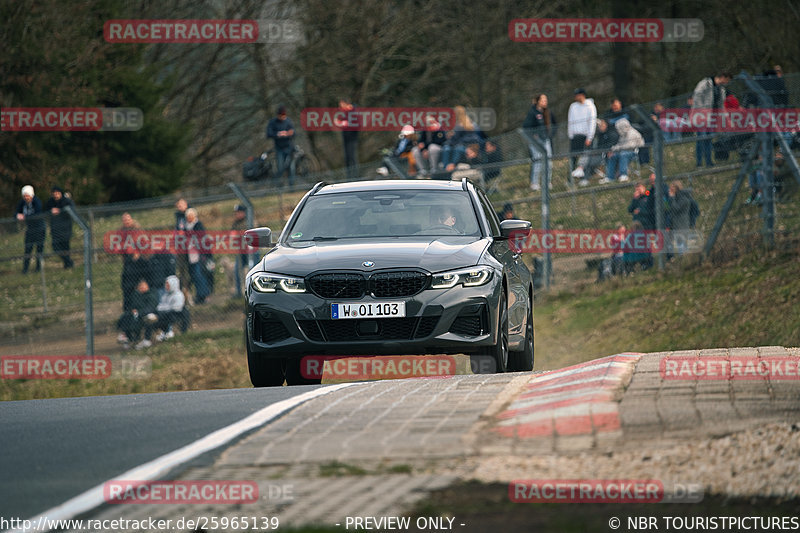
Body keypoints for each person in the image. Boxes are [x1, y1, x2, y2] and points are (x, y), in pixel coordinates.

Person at [692, 71, 732, 167]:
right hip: (701, 117)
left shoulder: (721, 89)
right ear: (722, 77)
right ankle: (699, 163)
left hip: (712, 118)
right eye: (726, 80)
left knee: (709, 139)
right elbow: (697, 95)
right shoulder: (706, 83)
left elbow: (721, 105)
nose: (726, 82)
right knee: (701, 139)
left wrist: (727, 118)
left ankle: (709, 162)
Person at [522, 93, 557, 191]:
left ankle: (547, 181)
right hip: (535, 143)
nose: (545, 102)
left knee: (548, 162)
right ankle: (534, 183)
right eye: (543, 100)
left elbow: (555, 124)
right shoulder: (532, 112)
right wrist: (534, 136)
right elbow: (526, 127)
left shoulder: (548, 112)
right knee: (537, 161)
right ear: (538, 101)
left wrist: (550, 135)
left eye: (546, 100)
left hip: (546, 140)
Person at [116, 279, 159, 349]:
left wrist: (139, 312)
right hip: (136, 314)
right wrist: (133, 311)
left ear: (147, 286)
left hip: (146, 314)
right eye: (140, 286)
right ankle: (127, 337)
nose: (141, 287)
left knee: (147, 319)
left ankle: (141, 339)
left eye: (143, 285)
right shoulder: (136, 295)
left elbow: (150, 307)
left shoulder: (151, 294)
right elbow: (132, 306)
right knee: (126, 317)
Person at [567, 88, 597, 184]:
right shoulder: (573, 106)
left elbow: (592, 122)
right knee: (573, 158)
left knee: (586, 157)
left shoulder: (590, 106)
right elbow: (570, 121)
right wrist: (570, 134)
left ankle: (584, 178)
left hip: (585, 136)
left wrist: (589, 137)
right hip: (575, 136)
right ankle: (570, 179)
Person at [441, 106, 483, 171]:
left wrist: (471, 148)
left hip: (467, 146)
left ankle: (452, 165)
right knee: (446, 148)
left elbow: (476, 138)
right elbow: (452, 140)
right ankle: (445, 168)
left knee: (459, 149)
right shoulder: (453, 125)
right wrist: (450, 137)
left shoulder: (470, 124)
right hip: (455, 145)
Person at [15, 185, 45, 273]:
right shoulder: (22, 203)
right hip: (30, 229)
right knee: (28, 249)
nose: (26, 197)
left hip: (39, 229)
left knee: (39, 249)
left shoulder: (37, 202)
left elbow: (37, 214)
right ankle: (25, 269)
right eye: (24, 196)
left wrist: (25, 217)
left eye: (27, 195)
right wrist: (17, 215)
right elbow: (17, 211)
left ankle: (38, 268)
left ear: (31, 195)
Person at [184, 208, 212, 304]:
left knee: (200, 274)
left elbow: (202, 239)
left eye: (190, 216)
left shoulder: (198, 225)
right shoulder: (186, 227)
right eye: (187, 217)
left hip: (199, 255)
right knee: (194, 276)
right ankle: (199, 296)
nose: (189, 218)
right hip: (190, 255)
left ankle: (205, 295)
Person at [605, 118, 644, 183]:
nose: (618, 130)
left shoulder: (632, 133)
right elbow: (619, 144)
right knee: (613, 156)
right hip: (623, 151)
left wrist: (618, 148)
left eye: (618, 128)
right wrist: (613, 149)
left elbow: (629, 146)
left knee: (623, 154)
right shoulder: (623, 134)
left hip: (633, 152)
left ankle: (624, 175)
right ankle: (610, 177)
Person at [44, 186, 74, 269]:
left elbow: (71, 209)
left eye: (57, 193)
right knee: (56, 247)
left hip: (65, 229)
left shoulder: (66, 201)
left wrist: (60, 211)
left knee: (66, 247)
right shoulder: (50, 202)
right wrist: (51, 211)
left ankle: (67, 264)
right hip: (55, 229)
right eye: (54, 193)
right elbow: (45, 210)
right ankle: (68, 261)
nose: (56, 195)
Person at [266, 105, 296, 186]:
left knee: (291, 167)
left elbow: (294, 132)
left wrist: (287, 133)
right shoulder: (273, 122)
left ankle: (292, 186)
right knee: (280, 167)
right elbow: (269, 134)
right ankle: (279, 186)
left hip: (289, 148)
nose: (283, 118)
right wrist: (278, 134)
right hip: (279, 148)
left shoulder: (288, 121)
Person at [154, 275, 187, 341]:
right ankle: (164, 332)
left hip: (176, 314)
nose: (166, 286)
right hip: (166, 313)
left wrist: (164, 309)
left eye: (168, 285)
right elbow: (161, 305)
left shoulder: (178, 295)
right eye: (166, 284)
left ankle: (169, 332)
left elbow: (176, 308)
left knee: (166, 316)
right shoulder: (166, 295)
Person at [335, 97, 359, 179]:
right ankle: (349, 177)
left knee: (352, 157)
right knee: (347, 158)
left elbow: (356, 124)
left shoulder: (353, 111)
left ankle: (355, 176)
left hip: (352, 137)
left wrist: (346, 124)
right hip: (346, 137)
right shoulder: (344, 112)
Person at [668, 180, 694, 255]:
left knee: (682, 244)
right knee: (679, 244)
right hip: (675, 224)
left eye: (672, 189)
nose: (670, 191)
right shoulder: (675, 198)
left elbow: (676, 208)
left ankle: (684, 258)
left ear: (676, 188)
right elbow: (668, 208)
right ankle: (682, 257)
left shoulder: (684, 199)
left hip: (681, 225)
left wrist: (672, 198)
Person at [231, 204, 250, 295]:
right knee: (237, 270)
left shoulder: (249, 220)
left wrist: (239, 234)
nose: (237, 215)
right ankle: (239, 292)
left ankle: (251, 290)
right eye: (236, 213)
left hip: (250, 251)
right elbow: (232, 234)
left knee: (251, 269)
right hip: (240, 250)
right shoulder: (236, 223)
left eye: (239, 213)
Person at [174, 198, 191, 290]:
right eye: (178, 205)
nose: (180, 207)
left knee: (191, 270)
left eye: (181, 205)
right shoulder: (178, 217)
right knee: (182, 270)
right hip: (181, 247)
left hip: (190, 246)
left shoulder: (190, 214)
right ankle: (185, 289)